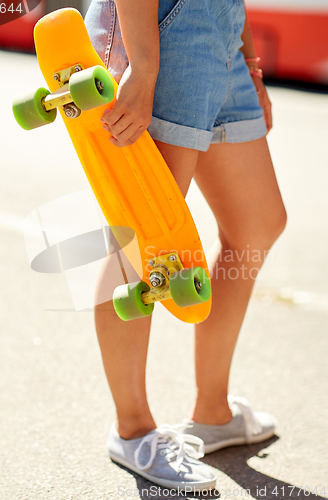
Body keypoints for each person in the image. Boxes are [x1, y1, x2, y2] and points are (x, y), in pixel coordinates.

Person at [85, 0, 287, 491]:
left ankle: (213, 413)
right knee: (142, 239)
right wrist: (144, 66)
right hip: (164, 28)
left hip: (223, 32)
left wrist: (250, 62)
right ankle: (134, 430)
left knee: (258, 223)